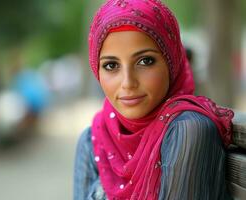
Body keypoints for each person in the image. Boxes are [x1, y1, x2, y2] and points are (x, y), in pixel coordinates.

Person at [73, 0, 234, 199]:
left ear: (171, 61)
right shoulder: (93, 139)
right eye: (111, 65)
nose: (128, 83)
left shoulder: (188, 130)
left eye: (145, 61)